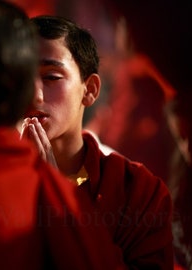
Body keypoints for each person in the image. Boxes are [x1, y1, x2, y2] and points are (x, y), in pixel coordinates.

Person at [0, 1, 127, 269]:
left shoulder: (134, 187)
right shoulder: (55, 196)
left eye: (52, 77)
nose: (38, 96)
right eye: (32, 78)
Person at [22, 15, 173, 269]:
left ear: (90, 90)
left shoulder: (137, 192)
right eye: (23, 78)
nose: (35, 95)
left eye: (51, 77)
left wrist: (56, 198)